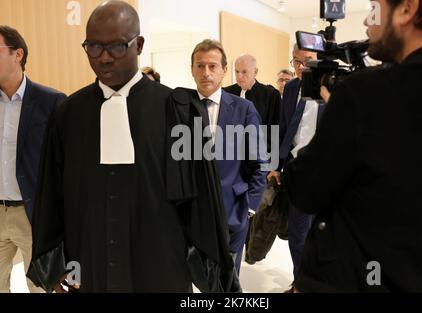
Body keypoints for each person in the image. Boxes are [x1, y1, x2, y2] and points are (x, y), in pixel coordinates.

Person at [27, 0, 194, 293]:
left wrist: (202, 264)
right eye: (93, 47)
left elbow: (199, 197)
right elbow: (51, 195)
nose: (103, 58)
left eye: (116, 47)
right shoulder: (68, 113)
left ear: (139, 45)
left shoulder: (178, 109)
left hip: (160, 260)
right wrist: (54, 265)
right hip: (88, 260)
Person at [284, 0, 422, 292]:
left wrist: (342, 119)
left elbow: (305, 189)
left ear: (407, 9)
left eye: (374, 8)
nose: (365, 23)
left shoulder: (365, 94)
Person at [189, 40, 267, 274]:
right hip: (191, 212)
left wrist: (250, 207)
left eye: (213, 66)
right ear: (191, 69)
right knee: (196, 278)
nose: (206, 73)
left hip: (233, 210)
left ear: (224, 71)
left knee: (227, 280)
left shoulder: (244, 109)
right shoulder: (180, 107)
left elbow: (259, 162)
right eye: (200, 66)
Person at [0, 25, 66, 293]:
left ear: (18, 54)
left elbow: (63, 165)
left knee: (40, 287)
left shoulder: (51, 101)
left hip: (33, 214)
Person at [268, 44, 326, 293]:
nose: (301, 68)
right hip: (296, 166)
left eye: (307, 61)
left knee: (324, 232)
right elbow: (283, 126)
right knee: (298, 232)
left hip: (327, 165)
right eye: (296, 62)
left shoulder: (332, 86)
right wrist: (275, 165)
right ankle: (301, 283)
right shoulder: (292, 87)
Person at [224, 54, 280, 153]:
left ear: (255, 72)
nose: (239, 76)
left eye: (244, 72)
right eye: (237, 71)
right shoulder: (226, 93)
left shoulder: (271, 95)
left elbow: (274, 131)